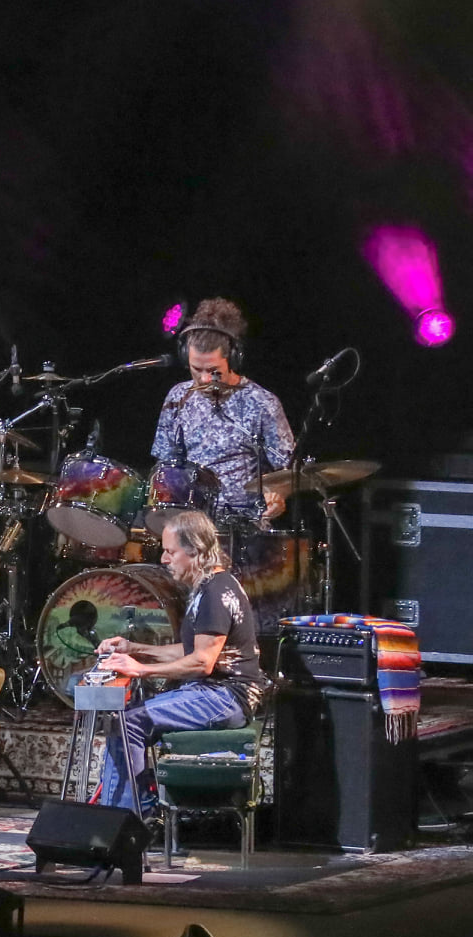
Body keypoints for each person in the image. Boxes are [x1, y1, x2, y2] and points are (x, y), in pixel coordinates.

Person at [94, 508, 267, 815]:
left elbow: (202, 663)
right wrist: (134, 648)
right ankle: (136, 806)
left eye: (170, 551)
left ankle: (123, 820)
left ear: (196, 551)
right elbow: (190, 650)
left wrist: (141, 669)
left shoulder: (216, 593)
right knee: (127, 718)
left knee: (128, 723)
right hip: (214, 693)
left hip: (227, 698)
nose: (163, 559)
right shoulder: (207, 588)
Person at [151, 297, 294, 522]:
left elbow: (287, 471)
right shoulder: (177, 397)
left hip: (244, 527)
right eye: (196, 369)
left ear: (233, 359)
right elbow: (165, 467)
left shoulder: (262, 402)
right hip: (190, 525)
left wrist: (277, 494)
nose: (205, 378)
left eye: (214, 370)